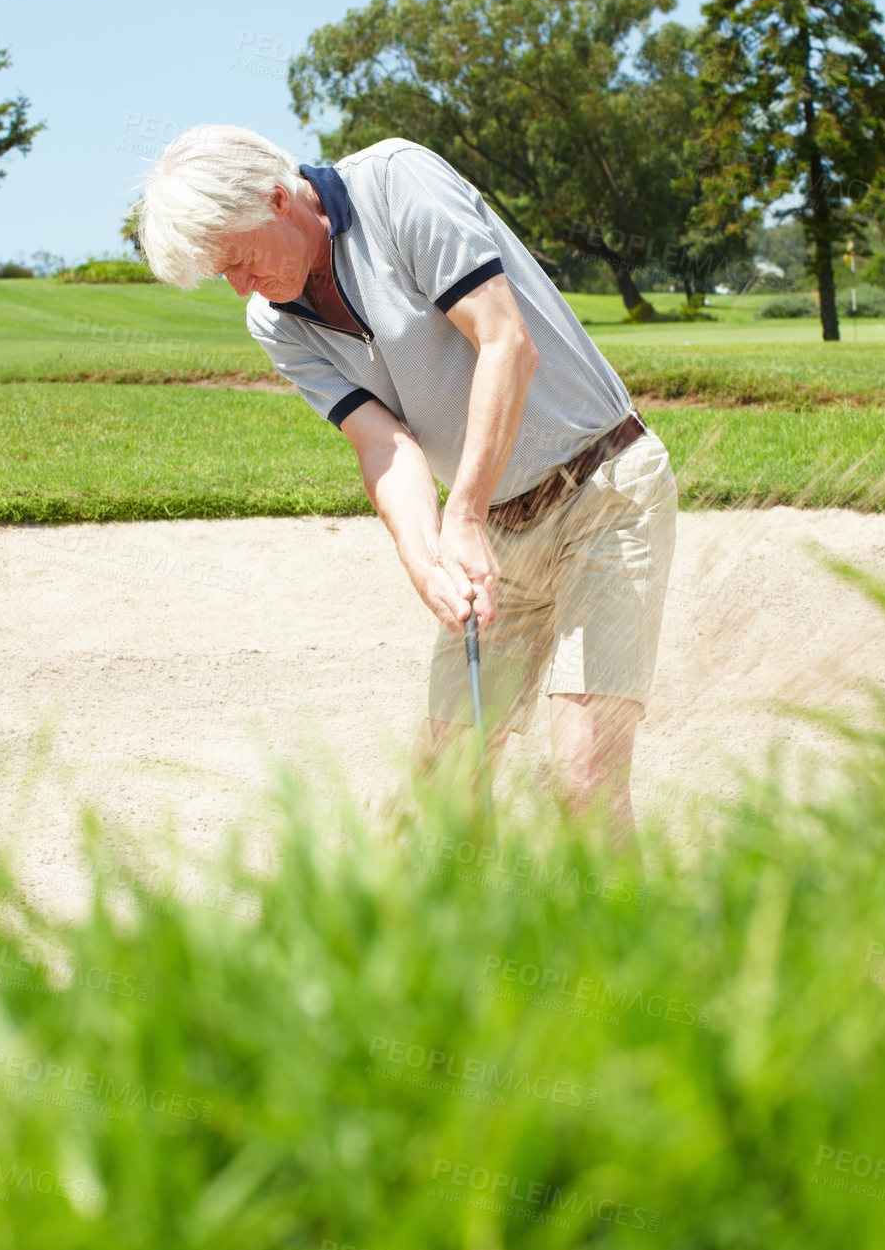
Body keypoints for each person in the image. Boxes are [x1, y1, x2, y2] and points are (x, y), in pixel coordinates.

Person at [139, 124, 676, 832]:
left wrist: (465, 517)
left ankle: (633, 943)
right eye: (224, 276)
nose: (242, 286)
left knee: (583, 777)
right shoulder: (275, 323)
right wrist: (426, 562)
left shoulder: (396, 182)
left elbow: (506, 344)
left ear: (276, 197)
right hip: (495, 532)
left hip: (604, 490)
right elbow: (385, 445)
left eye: (239, 260)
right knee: (445, 782)